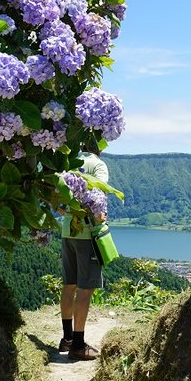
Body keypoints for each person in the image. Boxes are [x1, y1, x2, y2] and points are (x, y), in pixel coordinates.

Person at [59, 142, 109, 360]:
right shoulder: (98, 165)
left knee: (69, 285)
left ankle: (67, 338)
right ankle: (78, 346)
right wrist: (99, 218)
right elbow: (97, 198)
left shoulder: (70, 163)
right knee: (85, 289)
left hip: (67, 231)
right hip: (86, 233)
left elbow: (58, 201)